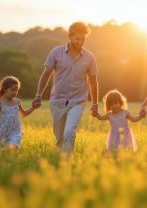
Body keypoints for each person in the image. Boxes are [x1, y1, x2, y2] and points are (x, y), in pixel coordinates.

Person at [32, 22, 99, 153]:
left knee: (69, 132)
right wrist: (38, 95)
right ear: (69, 36)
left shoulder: (89, 58)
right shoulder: (56, 53)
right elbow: (46, 75)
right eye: (77, 39)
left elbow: (93, 82)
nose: (80, 42)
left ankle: (68, 163)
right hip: (57, 101)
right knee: (60, 139)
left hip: (78, 101)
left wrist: (95, 103)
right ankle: (60, 163)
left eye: (83, 39)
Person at [0, 76, 36, 150]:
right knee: (3, 152)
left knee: (13, 146)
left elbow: (23, 114)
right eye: (12, 90)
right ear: (5, 89)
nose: (15, 92)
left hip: (15, 131)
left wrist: (33, 108)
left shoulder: (17, 102)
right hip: (2, 132)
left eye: (16, 90)